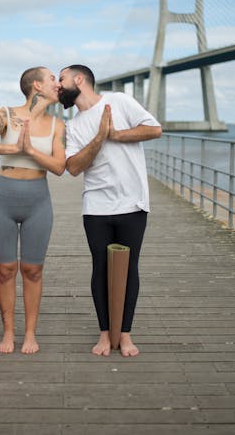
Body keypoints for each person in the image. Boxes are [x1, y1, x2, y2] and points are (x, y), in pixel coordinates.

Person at [59, 64, 162, 357]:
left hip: (132, 202)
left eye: (62, 79)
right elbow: (74, 167)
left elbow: (154, 129)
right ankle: (105, 334)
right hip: (96, 206)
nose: (58, 86)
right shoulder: (73, 125)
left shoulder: (117, 101)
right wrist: (99, 137)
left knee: (130, 269)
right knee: (100, 269)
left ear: (79, 79)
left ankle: (125, 334)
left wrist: (113, 134)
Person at [0, 66, 66, 354]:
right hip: (2, 200)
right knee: (5, 269)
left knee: (33, 270)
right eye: (52, 79)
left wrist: (32, 151)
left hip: (38, 201)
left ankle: (30, 334)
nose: (57, 83)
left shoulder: (57, 125)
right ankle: (9, 333)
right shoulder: (7, 115)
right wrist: (15, 150)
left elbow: (60, 167)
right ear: (37, 85)